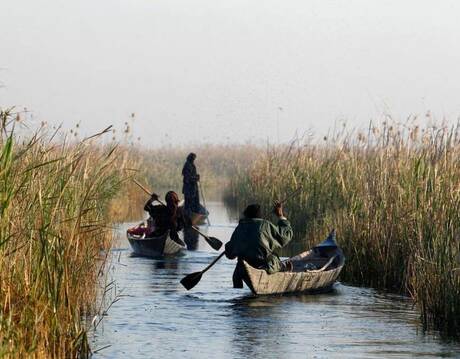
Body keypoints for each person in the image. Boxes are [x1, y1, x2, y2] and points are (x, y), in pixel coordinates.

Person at [224, 202, 293, 288]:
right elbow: (285, 236)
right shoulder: (265, 225)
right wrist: (280, 216)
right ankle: (283, 269)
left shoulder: (240, 227)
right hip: (265, 266)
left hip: (242, 268)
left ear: (246, 215)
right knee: (275, 258)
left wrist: (229, 247)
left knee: (239, 267)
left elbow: (230, 255)